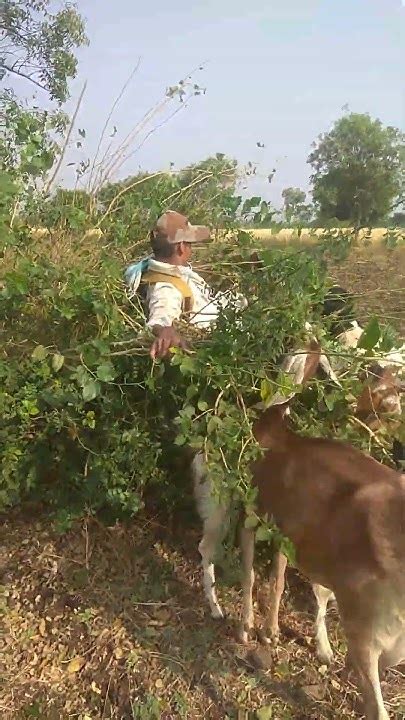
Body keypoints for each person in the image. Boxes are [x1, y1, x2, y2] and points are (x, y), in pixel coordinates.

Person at [125, 210, 247, 359]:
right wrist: (165, 331)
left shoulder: (168, 272)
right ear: (181, 247)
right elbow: (161, 315)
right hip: (220, 348)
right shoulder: (166, 286)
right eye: (189, 244)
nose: (191, 249)